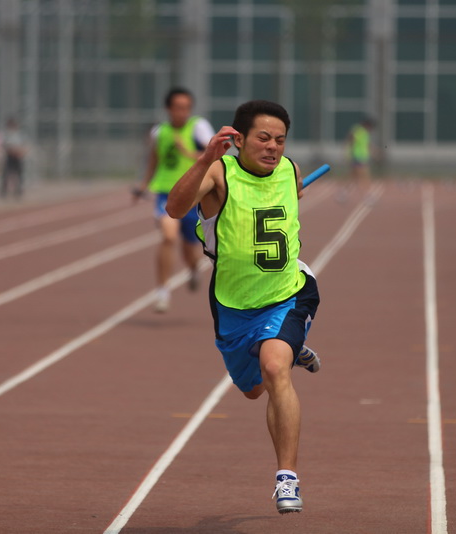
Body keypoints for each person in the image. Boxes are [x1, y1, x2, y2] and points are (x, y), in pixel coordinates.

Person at [167, 100, 321, 515]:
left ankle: (286, 478)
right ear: (239, 139)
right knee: (253, 390)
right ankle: (292, 347)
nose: (273, 147)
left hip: (288, 292)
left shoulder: (290, 169)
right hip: (233, 305)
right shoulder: (220, 173)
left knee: (274, 368)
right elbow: (175, 208)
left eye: (280, 140)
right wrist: (203, 159)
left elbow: (290, 199)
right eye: (264, 138)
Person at [134, 87, 214, 312]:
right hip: (165, 193)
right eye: (178, 108)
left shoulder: (198, 127)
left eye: (187, 108)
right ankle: (162, 292)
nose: (183, 112)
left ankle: (193, 269)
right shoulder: (159, 132)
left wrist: (187, 152)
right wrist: (143, 185)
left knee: (190, 250)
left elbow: (216, 155)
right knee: (168, 237)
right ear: (168, 109)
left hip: (192, 194)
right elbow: (153, 160)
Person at [336, 117, 374, 203]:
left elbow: (367, 145)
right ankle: (367, 196)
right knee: (364, 177)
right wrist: (347, 154)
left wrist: (375, 152)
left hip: (362, 157)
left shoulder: (365, 133)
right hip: (358, 157)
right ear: (367, 125)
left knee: (353, 179)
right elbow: (350, 141)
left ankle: (342, 194)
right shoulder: (359, 131)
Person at [1, 117, 26, 199]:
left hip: (18, 157)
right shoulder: (6, 135)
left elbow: (24, 145)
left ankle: (18, 191)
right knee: (6, 174)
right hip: (9, 157)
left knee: (19, 175)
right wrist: (12, 151)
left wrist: (20, 152)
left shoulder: (19, 134)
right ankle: (4, 192)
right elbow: (5, 146)